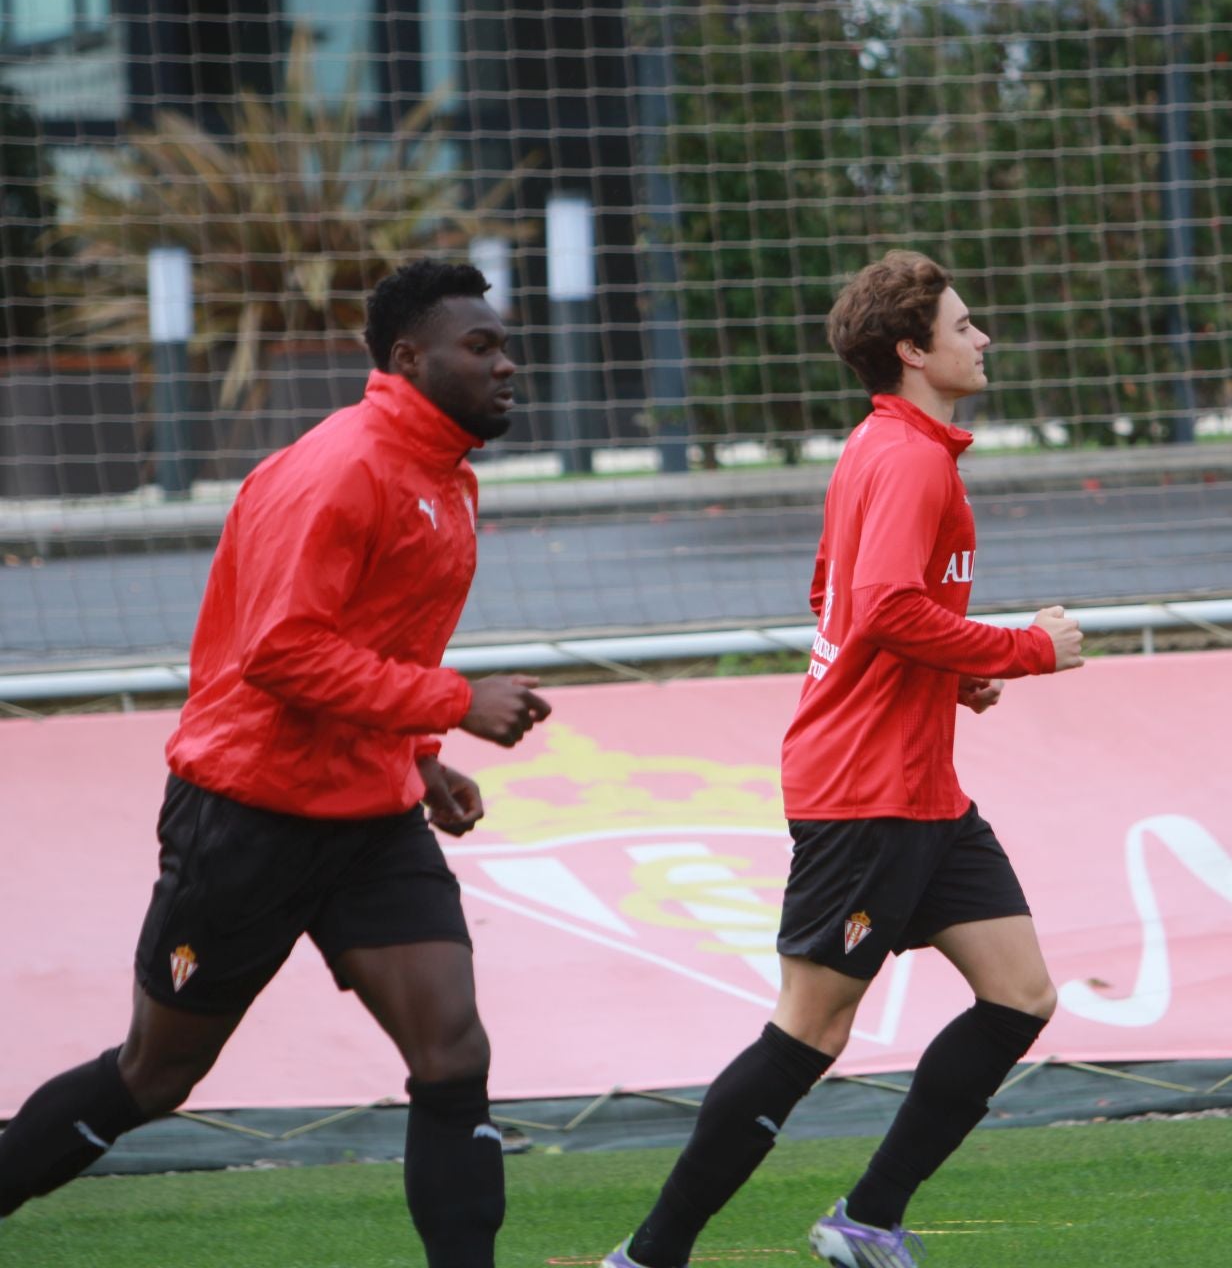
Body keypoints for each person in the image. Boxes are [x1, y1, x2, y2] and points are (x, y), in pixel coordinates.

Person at [0, 259, 551, 1266]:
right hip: (247, 816)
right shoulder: (341, 467)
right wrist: (455, 704)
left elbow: (385, 633)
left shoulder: (443, 474)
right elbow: (284, 653)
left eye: (503, 343)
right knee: (155, 1073)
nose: (507, 364)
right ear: (406, 357)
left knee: (453, 1051)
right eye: (481, 347)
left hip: (371, 820)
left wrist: (421, 757)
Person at [603, 251, 1085, 1268]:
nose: (981, 338)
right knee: (810, 1032)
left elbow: (839, 594)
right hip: (865, 794)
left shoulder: (888, 444)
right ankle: (651, 1253)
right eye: (963, 325)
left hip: (923, 791)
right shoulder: (906, 457)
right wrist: (1024, 648)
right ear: (912, 350)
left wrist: (947, 678)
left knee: (1020, 995)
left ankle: (867, 1217)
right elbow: (884, 607)